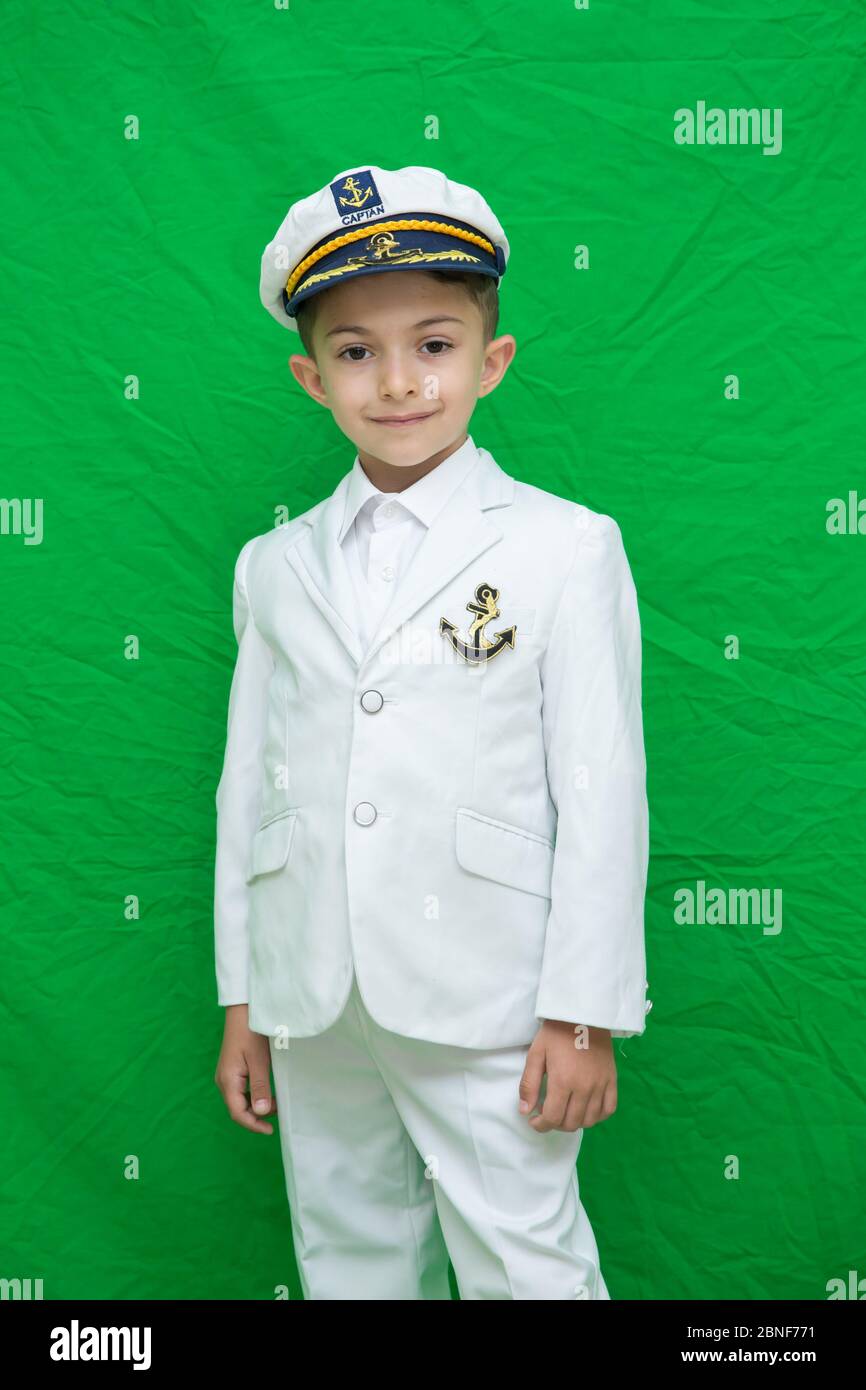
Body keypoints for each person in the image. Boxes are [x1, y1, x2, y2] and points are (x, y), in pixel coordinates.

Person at [213, 163, 651, 1300]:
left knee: (524, 1259)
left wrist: (583, 1009)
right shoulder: (274, 565)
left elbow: (602, 792)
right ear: (311, 377)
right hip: (316, 993)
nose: (398, 380)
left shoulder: (564, 547)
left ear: (490, 360)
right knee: (349, 1257)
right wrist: (244, 998)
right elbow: (246, 793)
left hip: (493, 993)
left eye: (434, 344)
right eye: (356, 351)